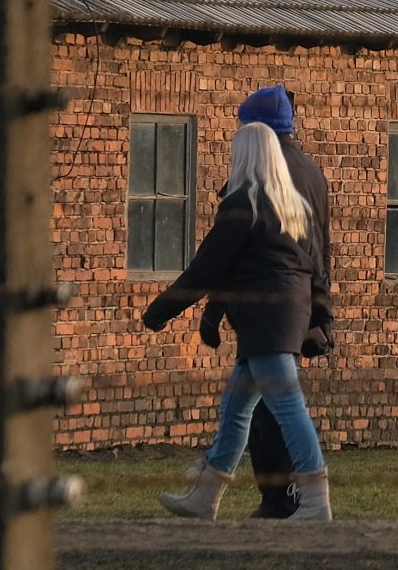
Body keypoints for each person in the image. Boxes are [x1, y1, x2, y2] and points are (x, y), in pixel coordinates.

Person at [142, 117, 333, 522]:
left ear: (245, 155)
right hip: (286, 316)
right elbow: (315, 268)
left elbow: (207, 267)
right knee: (237, 405)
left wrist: (160, 311)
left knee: (287, 407)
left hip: (265, 320)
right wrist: (317, 316)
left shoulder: (242, 202)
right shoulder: (292, 206)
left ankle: (315, 503)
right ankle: (204, 497)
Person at [208, 87, 335, 520]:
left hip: (266, 310)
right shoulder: (313, 174)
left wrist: (214, 309)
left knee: (273, 409)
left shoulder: (263, 177)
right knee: (246, 404)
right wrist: (322, 316)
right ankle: (212, 494)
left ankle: (286, 499)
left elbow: (231, 256)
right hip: (295, 308)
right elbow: (321, 253)